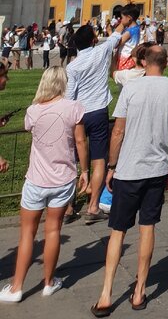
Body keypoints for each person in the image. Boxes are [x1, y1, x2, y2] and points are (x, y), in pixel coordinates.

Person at [92, 46, 168, 315]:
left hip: (128, 169)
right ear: (166, 62)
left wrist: (111, 166)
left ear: (143, 62)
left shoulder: (131, 88)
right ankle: (140, 290)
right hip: (157, 169)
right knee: (148, 228)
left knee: (118, 231)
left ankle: (106, 293)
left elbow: (118, 131)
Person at [0, 68, 89, 302]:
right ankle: (48, 282)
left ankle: (17, 287)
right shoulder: (74, 108)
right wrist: (85, 170)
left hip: (37, 179)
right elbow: (81, 141)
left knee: (27, 234)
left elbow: (30, 127)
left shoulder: (33, 110)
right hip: (63, 178)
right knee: (53, 230)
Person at [65, 14, 126, 223]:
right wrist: (123, 20)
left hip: (78, 114)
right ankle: (92, 207)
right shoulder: (101, 51)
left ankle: (68, 207)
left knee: (73, 159)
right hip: (99, 111)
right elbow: (116, 36)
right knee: (99, 159)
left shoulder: (72, 66)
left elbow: (69, 95)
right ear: (93, 40)